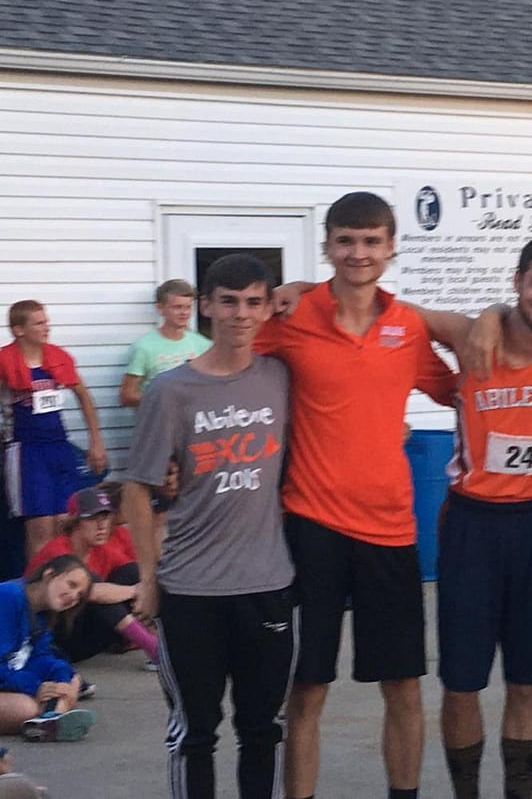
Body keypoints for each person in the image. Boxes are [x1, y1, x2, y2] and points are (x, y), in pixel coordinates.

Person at [255, 191, 457, 799]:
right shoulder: (291, 318)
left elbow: (461, 391)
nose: (358, 253)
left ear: (391, 247)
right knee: (307, 686)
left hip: (390, 528)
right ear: (327, 246)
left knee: (402, 686)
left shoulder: (407, 326)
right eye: (346, 240)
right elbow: (230, 358)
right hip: (310, 524)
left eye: (371, 241)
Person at [123, 252, 295, 799]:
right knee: (194, 734)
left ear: (268, 307)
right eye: (228, 302)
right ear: (205, 308)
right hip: (191, 590)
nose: (240, 314)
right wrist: (149, 577)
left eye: (253, 302)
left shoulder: (282, 377)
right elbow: (136, 486)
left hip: (267, 585)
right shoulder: (170, 391)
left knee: (262, 732)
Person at [438, 235, 532, 799]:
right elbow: (401, 312)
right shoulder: (470, 339)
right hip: (472, 525)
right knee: (462, 682)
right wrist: (486, 315)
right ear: (518, 280)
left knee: (528, 682)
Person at [0, 301, 107, 559]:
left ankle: (66, 584)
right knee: (40, 528)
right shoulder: (5, 361)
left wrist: (96, 441)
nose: (47, 327)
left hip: (58, 445)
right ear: (19, 330)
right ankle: (36, 591)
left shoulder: (57, 357)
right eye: (39, 323)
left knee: (65, 522)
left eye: (46, 321)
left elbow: (84, 396)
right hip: (26, 449)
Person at [25, 483, 158, 668]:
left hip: (82, 631)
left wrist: (144, 588)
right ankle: (153, 647)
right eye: (93, 518)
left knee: (132, 571)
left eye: (106, 517)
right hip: (51, 638)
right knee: (88, 584)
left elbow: (139, 575)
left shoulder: (103, 549)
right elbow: (92, 592)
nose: (103, 525)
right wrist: (137, 591)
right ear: (75, 522)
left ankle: (162, 643)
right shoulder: (58, 550)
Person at [0, 555, 96, 742]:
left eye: (79, 596)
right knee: (25, 708)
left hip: (8, 677)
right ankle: (49, 716)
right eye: (71, 585)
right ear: (49, 575)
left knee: (71, 680)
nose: (73, 597)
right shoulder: (9, 596)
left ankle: (49, 717)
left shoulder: (41, 615)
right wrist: (37, 687)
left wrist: (60, 680)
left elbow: (39, 657)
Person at [119, 279, 211, 408]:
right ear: (160, 308)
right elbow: (127, 396)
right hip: (159, 424)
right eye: (177, 307)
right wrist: (165, 399)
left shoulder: (203, 345)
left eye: (188, 307)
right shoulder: (144, 347)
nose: (184, 313)